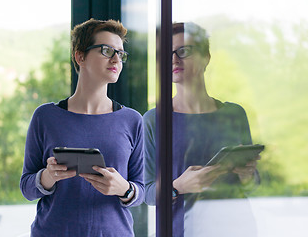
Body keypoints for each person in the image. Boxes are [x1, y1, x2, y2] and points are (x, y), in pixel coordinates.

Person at [20, 19, 144, 237]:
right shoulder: (45, 116)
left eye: (120, 53)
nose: (116, 59)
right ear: (80, 56)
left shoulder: (132, 120)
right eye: (107, 50)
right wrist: (48, 176)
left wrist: (123, 188)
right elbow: (26, 187)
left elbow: (141, 189)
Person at [144, 22, 260, 236]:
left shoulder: (235, 114)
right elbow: (147, 193)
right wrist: (178, 185)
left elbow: (253, 184)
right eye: (166, 53)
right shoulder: (154, 120)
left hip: (236, 228)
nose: (173, 60)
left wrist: (247, 175)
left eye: (183, 51)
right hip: (180, 229)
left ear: (206, 57)